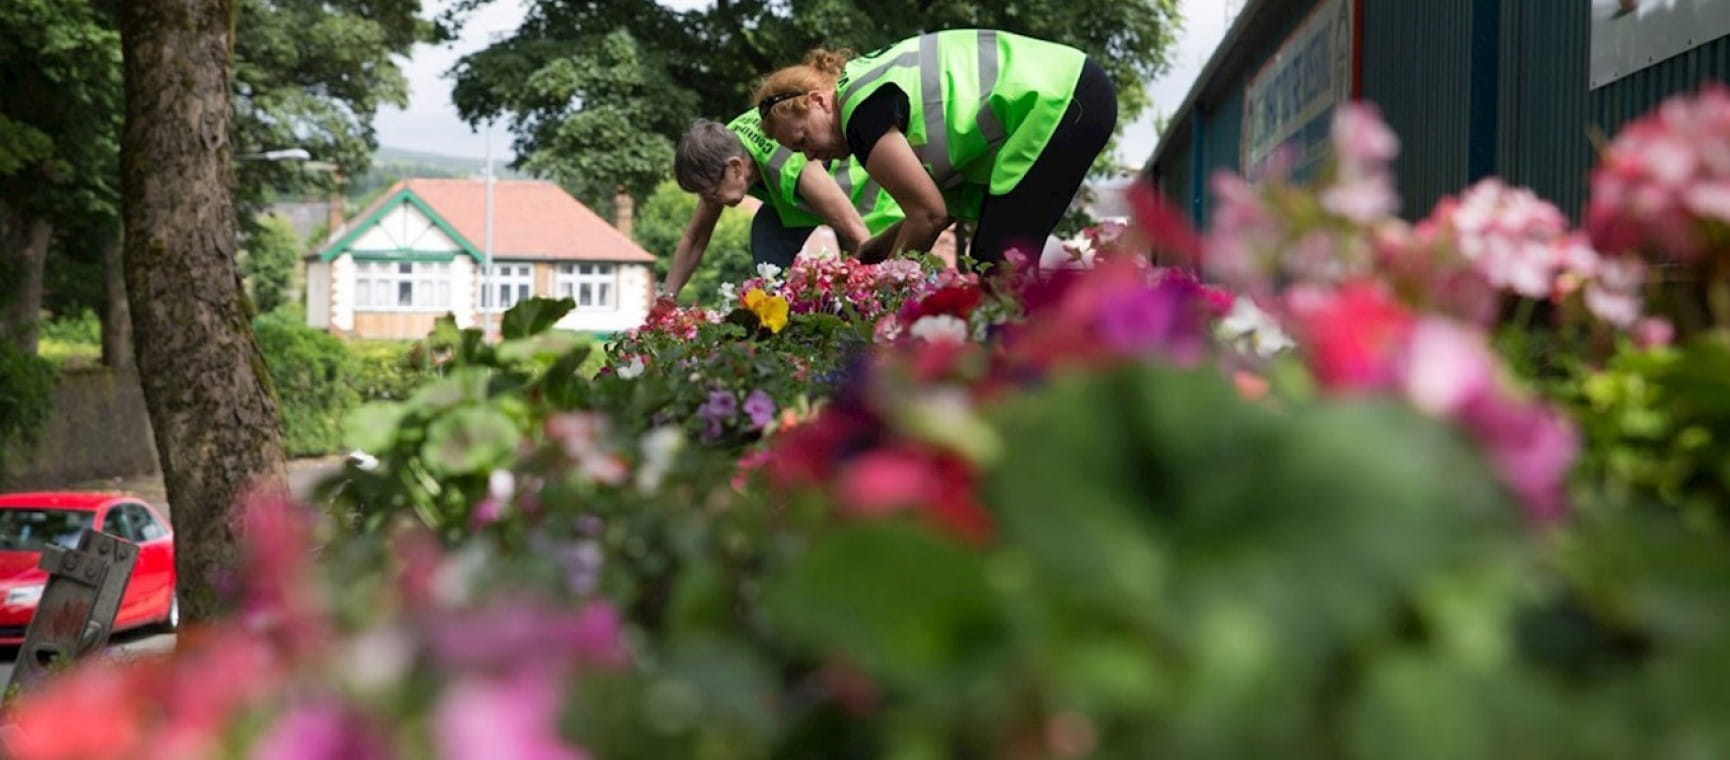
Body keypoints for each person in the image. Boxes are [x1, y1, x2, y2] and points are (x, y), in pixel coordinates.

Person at [753, 29, 1117, 269]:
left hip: (1061, 100)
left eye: (802, 140)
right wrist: (879, 246)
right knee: (997, 262)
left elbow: (928, 215)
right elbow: (937, 205)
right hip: (1069, 92)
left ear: (818, 101)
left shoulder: (860, 117)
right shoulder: (865, 93)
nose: (811, 156)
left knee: (1000, 261)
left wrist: (886, 287)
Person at [660, 109, 904, 298]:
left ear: (736, 167)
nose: (708, 201)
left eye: (710, 193)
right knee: (766, 242)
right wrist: (667, 297)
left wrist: (866, 291)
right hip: (797, 204)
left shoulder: (789, 166)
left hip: (862, 198)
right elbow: (695, 238)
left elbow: (857, 233)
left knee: (879, 275)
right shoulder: (723, 151)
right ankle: (780, 318)